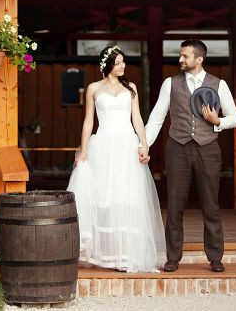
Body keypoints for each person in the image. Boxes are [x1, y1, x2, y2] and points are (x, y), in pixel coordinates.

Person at [144, 39, 236, 273]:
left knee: (211, 205)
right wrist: (143, 145)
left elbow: (235, 118)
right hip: (177, 147)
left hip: (208, 149)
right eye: (180, 55)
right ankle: (173, 257)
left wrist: (217, 121)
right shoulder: (170, 83)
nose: (180, 59)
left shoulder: (219, 84)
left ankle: (215, 257)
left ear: (199, 59)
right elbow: (157, 118)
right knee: (175, 204)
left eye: (185, 56)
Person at [67, 45, 165, 273]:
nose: (123, 66)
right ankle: (106, 255)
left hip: (126, 145)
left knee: (126, 198)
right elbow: (88, 121)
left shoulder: (130, 88)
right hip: (102, 145)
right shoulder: (93, 88)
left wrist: (144, 144)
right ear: (108, 64)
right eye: (118, 62)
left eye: (123, 62)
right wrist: (83, 150)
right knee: (104, 199)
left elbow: (137, 118)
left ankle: (126, 256)